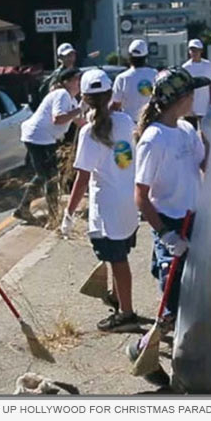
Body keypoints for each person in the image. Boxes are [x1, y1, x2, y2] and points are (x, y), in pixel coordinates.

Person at [126, 67, 211, 384]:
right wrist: (167, 235)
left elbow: (204, 164)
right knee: (173, 304)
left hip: (193, 220)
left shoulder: (187, 130)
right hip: (171, 224)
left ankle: (181, 360)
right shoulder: (153, 140)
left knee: (189, 297)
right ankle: (143, 350)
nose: (196, 98)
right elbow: (141, 196)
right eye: (192, 93)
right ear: (182, 97)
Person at [61, 69, 140, 333]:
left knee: (118, 260)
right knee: (120, 255)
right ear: (109, 95)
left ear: (83, 98)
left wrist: (69, 213)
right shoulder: (126, 122)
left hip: (107, 206)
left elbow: (82, 177)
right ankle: (118, 299)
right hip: (128, 201)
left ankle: (127, 314)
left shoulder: (89, 133)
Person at [14, 68, 84, 223]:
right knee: (51, 177)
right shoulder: (62, 94)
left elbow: (79, 121)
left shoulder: (70, 99)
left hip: (43, 138)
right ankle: (54, 215)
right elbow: (58, 119)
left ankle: (23, 208)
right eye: (76, 80)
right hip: (39, 137)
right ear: (66, 82)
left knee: (43, 175)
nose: (79, 83)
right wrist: (80, 109)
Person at [111, 39, 158, 121]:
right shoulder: (154, 74)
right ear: (146, 57)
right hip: (150, 121)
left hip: (129, 123)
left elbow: (116, 104)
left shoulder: (122, 78)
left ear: (129, 57)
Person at [181, 38, 211, 129]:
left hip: (205, 104)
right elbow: (184, 87)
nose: (194, 53)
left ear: (201, 51)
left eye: (196, 50)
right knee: (191, 131)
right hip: (190, 106)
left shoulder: (207, 65)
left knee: (206, 131)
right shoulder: (185, 67)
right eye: (192, 50)